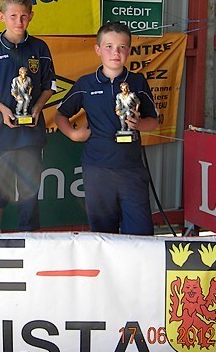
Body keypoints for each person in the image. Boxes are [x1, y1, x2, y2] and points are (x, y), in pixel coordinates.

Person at [55, 21, 158, 235]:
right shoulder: (86, 84)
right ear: (98, 49)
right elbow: (60, 115)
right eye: (109, 46)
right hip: (97, 170)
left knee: (140, 235)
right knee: (103, 236)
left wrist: (139, 124)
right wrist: (73, 134)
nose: (115, 53)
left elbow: (154, 121)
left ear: (129, 50)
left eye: (122, 47)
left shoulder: (137, 82)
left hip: (132, 170)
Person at [0, 0, 56, 234]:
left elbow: (49, 85)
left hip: (30, 132)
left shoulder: (40, 48)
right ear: (2, 16)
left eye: (24, 16)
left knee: (29, 187)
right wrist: (3, 110)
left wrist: (37, 107)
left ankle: (29, 235)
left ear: (31, 16)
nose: (19, 21)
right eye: (13, 16)